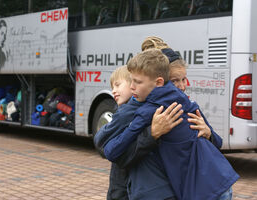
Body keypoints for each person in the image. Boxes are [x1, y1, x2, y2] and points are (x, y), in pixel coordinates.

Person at [104, 49, 239, 200]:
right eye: (175, 80)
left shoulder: (183, 103)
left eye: (183, 79)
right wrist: (152, 133)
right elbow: (109, 148)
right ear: (161, 81)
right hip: (206, 186)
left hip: (209, 186)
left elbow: (217, 143)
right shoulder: (151, 109)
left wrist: (208, 132)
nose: (181, 86)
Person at [94, 65, 182, 200]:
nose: (113, 91)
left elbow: (101, 141)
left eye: (118, 85)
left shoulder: (132, 112)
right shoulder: (128, 111)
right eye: (112, 87)